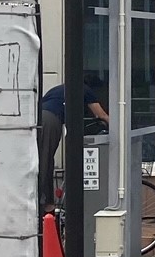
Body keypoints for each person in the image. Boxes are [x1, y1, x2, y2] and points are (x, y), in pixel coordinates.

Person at [39, 76, 108, 211]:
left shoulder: (58, 90)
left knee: (43, 158)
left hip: (38, 118)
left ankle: (47, 203)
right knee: (45, 160)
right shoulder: (85, 90)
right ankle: (42, 202)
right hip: (51, 119)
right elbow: (101, 115)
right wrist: (118, 130)